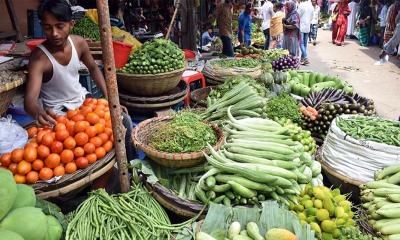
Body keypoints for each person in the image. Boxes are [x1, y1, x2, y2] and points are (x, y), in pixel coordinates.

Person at [25, 0, 135, 160]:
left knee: (123, 120)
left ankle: (131, 168)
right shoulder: (39, 58)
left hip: (84, 102)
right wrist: (37, 111)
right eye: (48, 27)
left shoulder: (79, 43)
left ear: (71, 24)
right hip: (59, 114)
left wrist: (111, 99)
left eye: (59, 26)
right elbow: (30, 99)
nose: (54, 33)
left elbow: (93, 68)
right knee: (79, 149)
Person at [297, 0, 314, 64]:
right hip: (307, 26)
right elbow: (311, 17)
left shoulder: (301, 5)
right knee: (304, 44)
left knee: (301, 43)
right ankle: (302, 58)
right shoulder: (311, 6)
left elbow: (297, 16)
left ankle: (305, 57)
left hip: (301, 26)